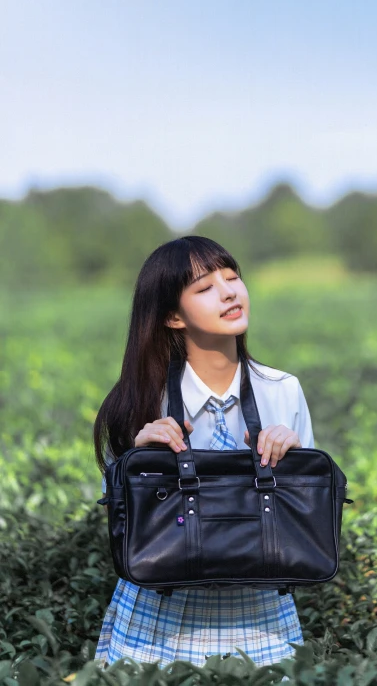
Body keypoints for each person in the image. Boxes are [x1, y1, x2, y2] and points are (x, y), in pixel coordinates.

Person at [93, 235, 315, 668]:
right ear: (173, 316)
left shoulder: (282, 390)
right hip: (158, 618)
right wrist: (138, 463)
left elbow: (305, 516)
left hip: (261, 617)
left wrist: (295, 458)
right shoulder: (141, 399)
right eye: (205, 287)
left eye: (232, 277)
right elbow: (117, 514)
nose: (229, 291)